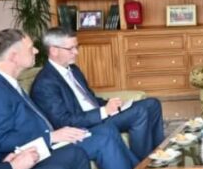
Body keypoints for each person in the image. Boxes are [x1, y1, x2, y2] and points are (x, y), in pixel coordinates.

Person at [0, 29, 138, 169]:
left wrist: (54, 136)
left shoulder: (7, 82)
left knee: (106, 131)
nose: (36, 51)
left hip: (47, 142)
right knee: (103, 140)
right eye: (30, 48)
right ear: (13, 56)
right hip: (30, 154)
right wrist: (50, 137)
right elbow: (0, 139)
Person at [31, 27, 164, 158]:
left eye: (76, 47)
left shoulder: (73, 69)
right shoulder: (45, 83)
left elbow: (90, 99)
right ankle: (144, 165)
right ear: (54, 50)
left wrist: (111, 104)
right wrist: (104, 111)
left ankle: (160, 155)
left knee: (153, 104)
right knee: (139, 112)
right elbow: (63, 122)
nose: (76, 52)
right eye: (71, 48)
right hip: (87, 125)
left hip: (100, 115)